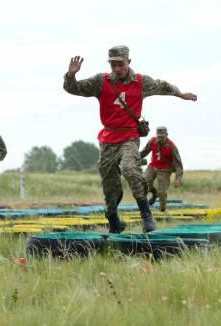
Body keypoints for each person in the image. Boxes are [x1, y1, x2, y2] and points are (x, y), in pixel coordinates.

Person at [63, 45, 197, 233]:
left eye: (121, 64)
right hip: (108, 139)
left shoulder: (141, 82)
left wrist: (180, 94)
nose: (117, 69)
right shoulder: (101, 81)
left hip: (129, 137)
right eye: (113, 65)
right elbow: (74, 89)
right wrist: (71, 75)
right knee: (109, 182)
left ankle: (146, 214)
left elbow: (162, 86)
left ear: (129, 62)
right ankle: (113, 218)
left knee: (129, 168)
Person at [140, 126, 183, 212]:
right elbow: (144, 152)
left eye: (162, 137)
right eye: (159, 136)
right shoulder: (152, 141)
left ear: (167, 135)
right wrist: (134, 158)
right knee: (143, 184)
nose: (160, 139)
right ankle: (154, 192)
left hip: (165, 170)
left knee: (162, 192)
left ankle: (162, 206)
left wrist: (178, 178)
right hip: (152, 166)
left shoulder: (172, 146)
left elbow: (178, 164)